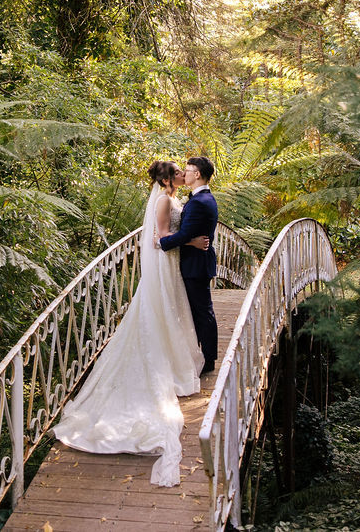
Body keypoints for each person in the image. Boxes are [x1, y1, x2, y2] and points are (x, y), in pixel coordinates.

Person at [52, 161, 211, 486]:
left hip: (173, 263)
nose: (184, 173)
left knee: (172, 312)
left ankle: (172, 349)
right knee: (164, 311)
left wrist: (190, 242)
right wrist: (192, 243)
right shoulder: (165, 200)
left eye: (186, 170)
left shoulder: (172, 197)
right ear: (169, 179)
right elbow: (159, 239)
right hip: (167, 263)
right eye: (179, 172)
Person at [159, 156, 219, 374]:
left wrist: (161, 242)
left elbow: (184, 233)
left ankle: (209, 360)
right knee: (196, 312)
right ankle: (200, 356)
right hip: (195, 262)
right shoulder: (199, 199)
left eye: (188, 170)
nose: (185, 173)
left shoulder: (200, 202)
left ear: (198, 174)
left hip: (196, 264)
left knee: (202, 312)